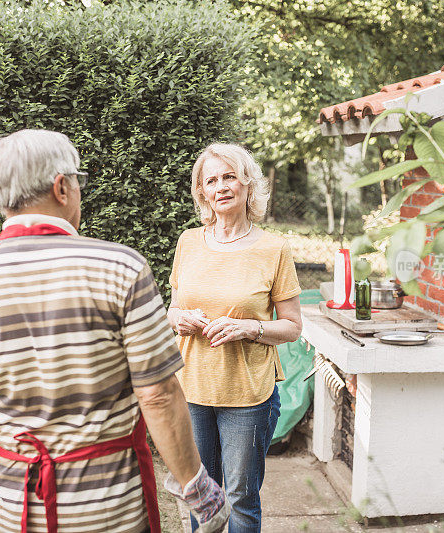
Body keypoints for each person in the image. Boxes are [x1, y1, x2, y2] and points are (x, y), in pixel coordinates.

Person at [0, 129, 229, 533]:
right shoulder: (122, 268)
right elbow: (157, 394)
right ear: (62, 187)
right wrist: (198, 491)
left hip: (15, 513)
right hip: (112, 512)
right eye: (78, 182)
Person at [167, 143, 303, 532]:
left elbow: (293, 326)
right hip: (191, 389)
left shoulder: (273, 248)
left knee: (241, 500)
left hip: (247, 395)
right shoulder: (188, 242)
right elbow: (172, 310)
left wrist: (251, 328)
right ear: (202, 192)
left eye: (229, 176)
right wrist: (181, 319)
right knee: (202, 498)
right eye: (211, 180)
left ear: (247, 184)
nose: (221, 186)